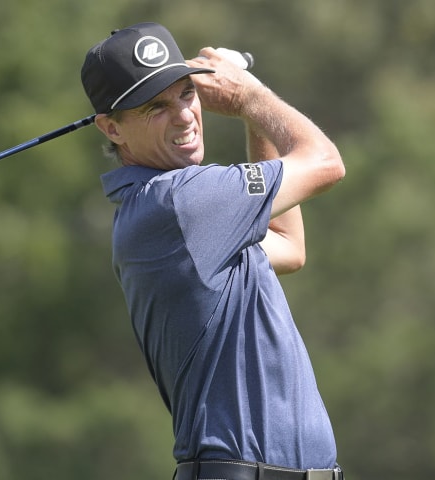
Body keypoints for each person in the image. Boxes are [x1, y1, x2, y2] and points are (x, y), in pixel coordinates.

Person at [81, 22, 346, 480]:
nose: (184, 115)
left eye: (186, 93)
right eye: (155, 107)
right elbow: (325, 163)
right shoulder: (180, 201)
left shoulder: (171, 212)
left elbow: (288, 244)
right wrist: (251, 97)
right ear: (112, 128)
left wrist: (251, 116)